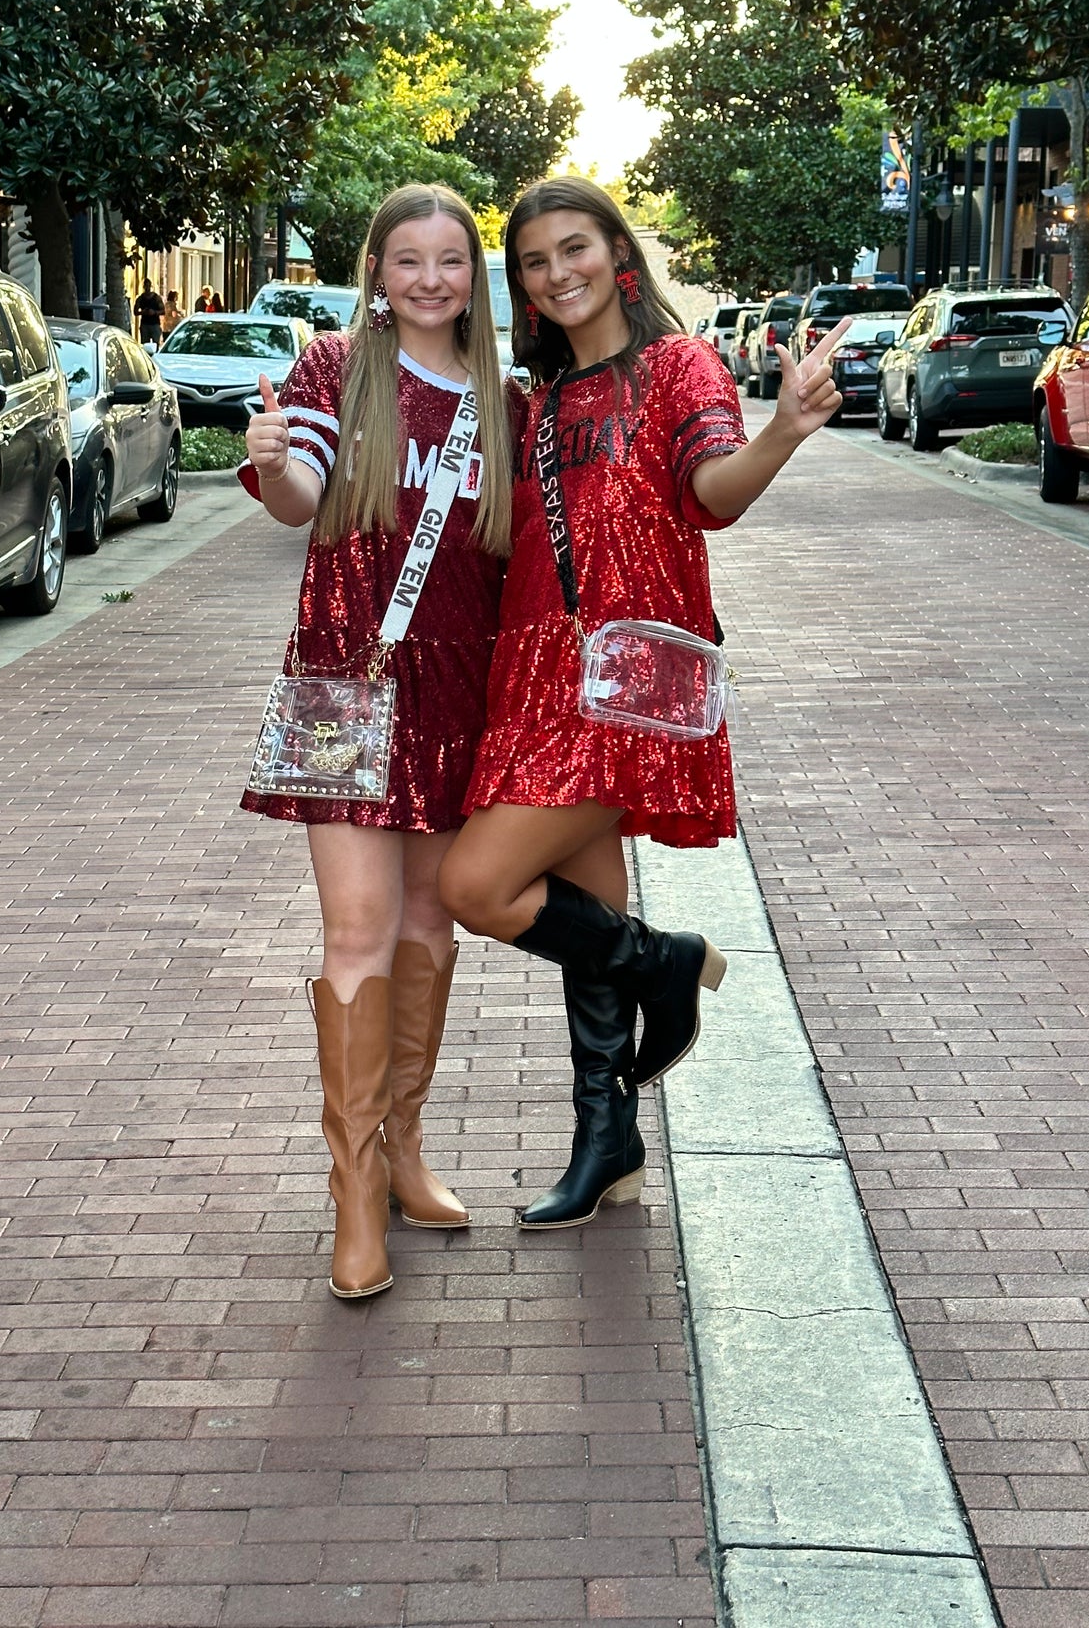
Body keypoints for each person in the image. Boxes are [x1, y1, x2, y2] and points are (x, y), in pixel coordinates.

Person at [439, 177, 840, 1229]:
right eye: (532, 261)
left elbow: (712, 492)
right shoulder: (533, 403)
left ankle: (669, 965)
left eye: (572, 248)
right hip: (531, 683)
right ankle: (605, 1139)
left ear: (617, 253)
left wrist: (783, 430)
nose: (555, 272)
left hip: (626, 683)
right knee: (588, 920)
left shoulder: (677, 366)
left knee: (474, 884)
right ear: (520, 286)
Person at [240, 183, 524, 1300]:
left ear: (473, 278)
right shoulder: (331, 368)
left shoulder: (503, 399)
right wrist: (270, 462)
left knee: (426, 919)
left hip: (456, 686)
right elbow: (298, 494)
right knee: (353, 929)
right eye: (406, 260)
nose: (427, 280)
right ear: (375, 270)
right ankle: (353, 1191)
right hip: (337, 682)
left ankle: (404, 1148)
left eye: (449, 260)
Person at [134, 277, 165, 350]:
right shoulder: (140, 298)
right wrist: (143, 312)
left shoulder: (156, 298)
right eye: (146, 286)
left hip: (155, 324)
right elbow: (135, 312)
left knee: (156, 345)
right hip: (145, 324)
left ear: (151, 286)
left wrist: (154, 312)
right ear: (144, 287)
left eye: (149, 286)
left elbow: (163, 311)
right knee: (145, 346)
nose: (147, 288)